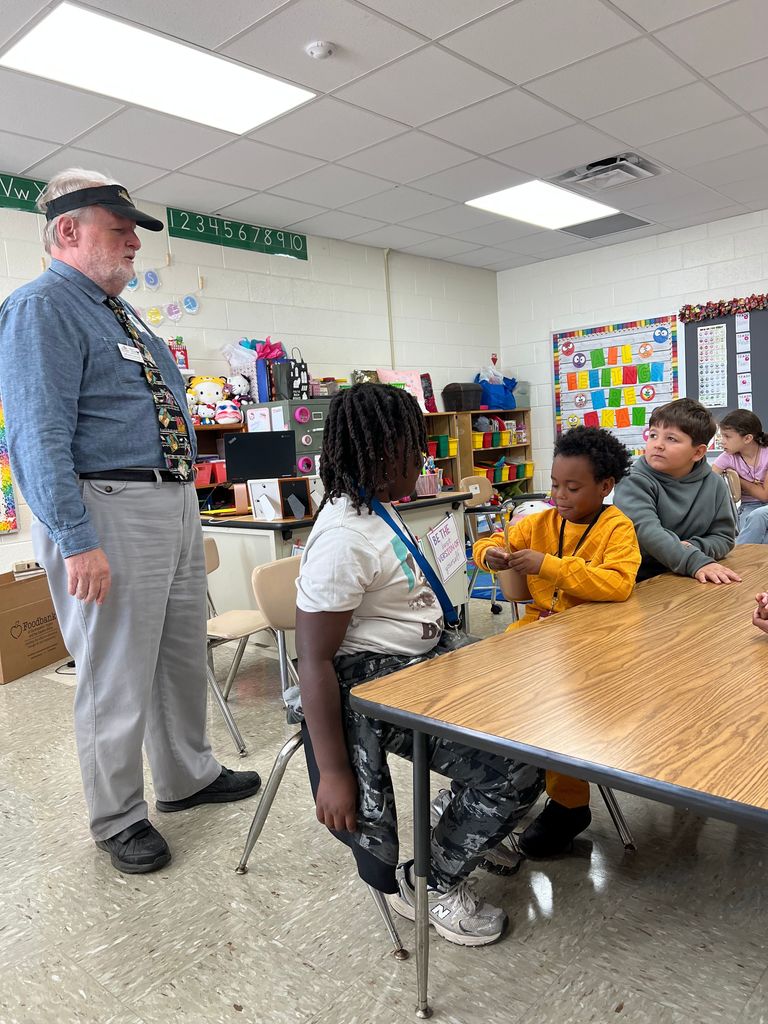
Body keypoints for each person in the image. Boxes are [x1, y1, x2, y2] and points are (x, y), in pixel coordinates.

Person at [0, 169, 261, 874]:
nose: (133, 246)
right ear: (68, 231)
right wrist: (75, 539)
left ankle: (187, 776)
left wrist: (184, 504)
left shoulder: (120, 311)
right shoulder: (40, 307)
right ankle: (117, 817)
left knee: (180, 656)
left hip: (169, 504)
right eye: (120, 232)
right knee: (115, 672)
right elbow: (36, 436)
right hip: (106, 510)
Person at [295, 383, 544, 947]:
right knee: (517, 771)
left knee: (535, 725)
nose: (423, 461)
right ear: (378, 455)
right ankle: (431, 881)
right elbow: (314, 661)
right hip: (375, 689)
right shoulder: (343, 539)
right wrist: (334, 773)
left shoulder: (376, 507)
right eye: (413, 451)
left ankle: (465, 815)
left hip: (421, 665)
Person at [471, 426, 641, 857]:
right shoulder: (541, 522)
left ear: (605, 486)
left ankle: (569, 804)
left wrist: (550, 566)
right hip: (535, 634)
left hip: (589, 641)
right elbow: (493, 540)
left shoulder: (617, 528)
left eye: (572, 487)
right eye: (554, 485)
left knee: (560, 713)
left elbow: (619, 583)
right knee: (487, 694)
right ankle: (503, 782)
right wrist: (487, 553)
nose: (560, 496)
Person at [613, 398, 739, 585]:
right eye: (653, 435)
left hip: (686, 578)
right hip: (640, 580)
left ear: (697, 453)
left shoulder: (714, 484)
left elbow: (724, 537)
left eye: (671, 439)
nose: (658, 444)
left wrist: (694, 547)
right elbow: (647, 531)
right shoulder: (633, 480)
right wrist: (693, 560)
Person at [712, 410, 768, 545]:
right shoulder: (727, 457)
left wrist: (738, 479)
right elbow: (708, 480)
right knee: (761, 537)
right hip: (748, 506)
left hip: (763, 508)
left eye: (727, 436)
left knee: (758, 516)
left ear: (747, 438)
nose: (722, 441)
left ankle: (735, 558)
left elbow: (764, 495)